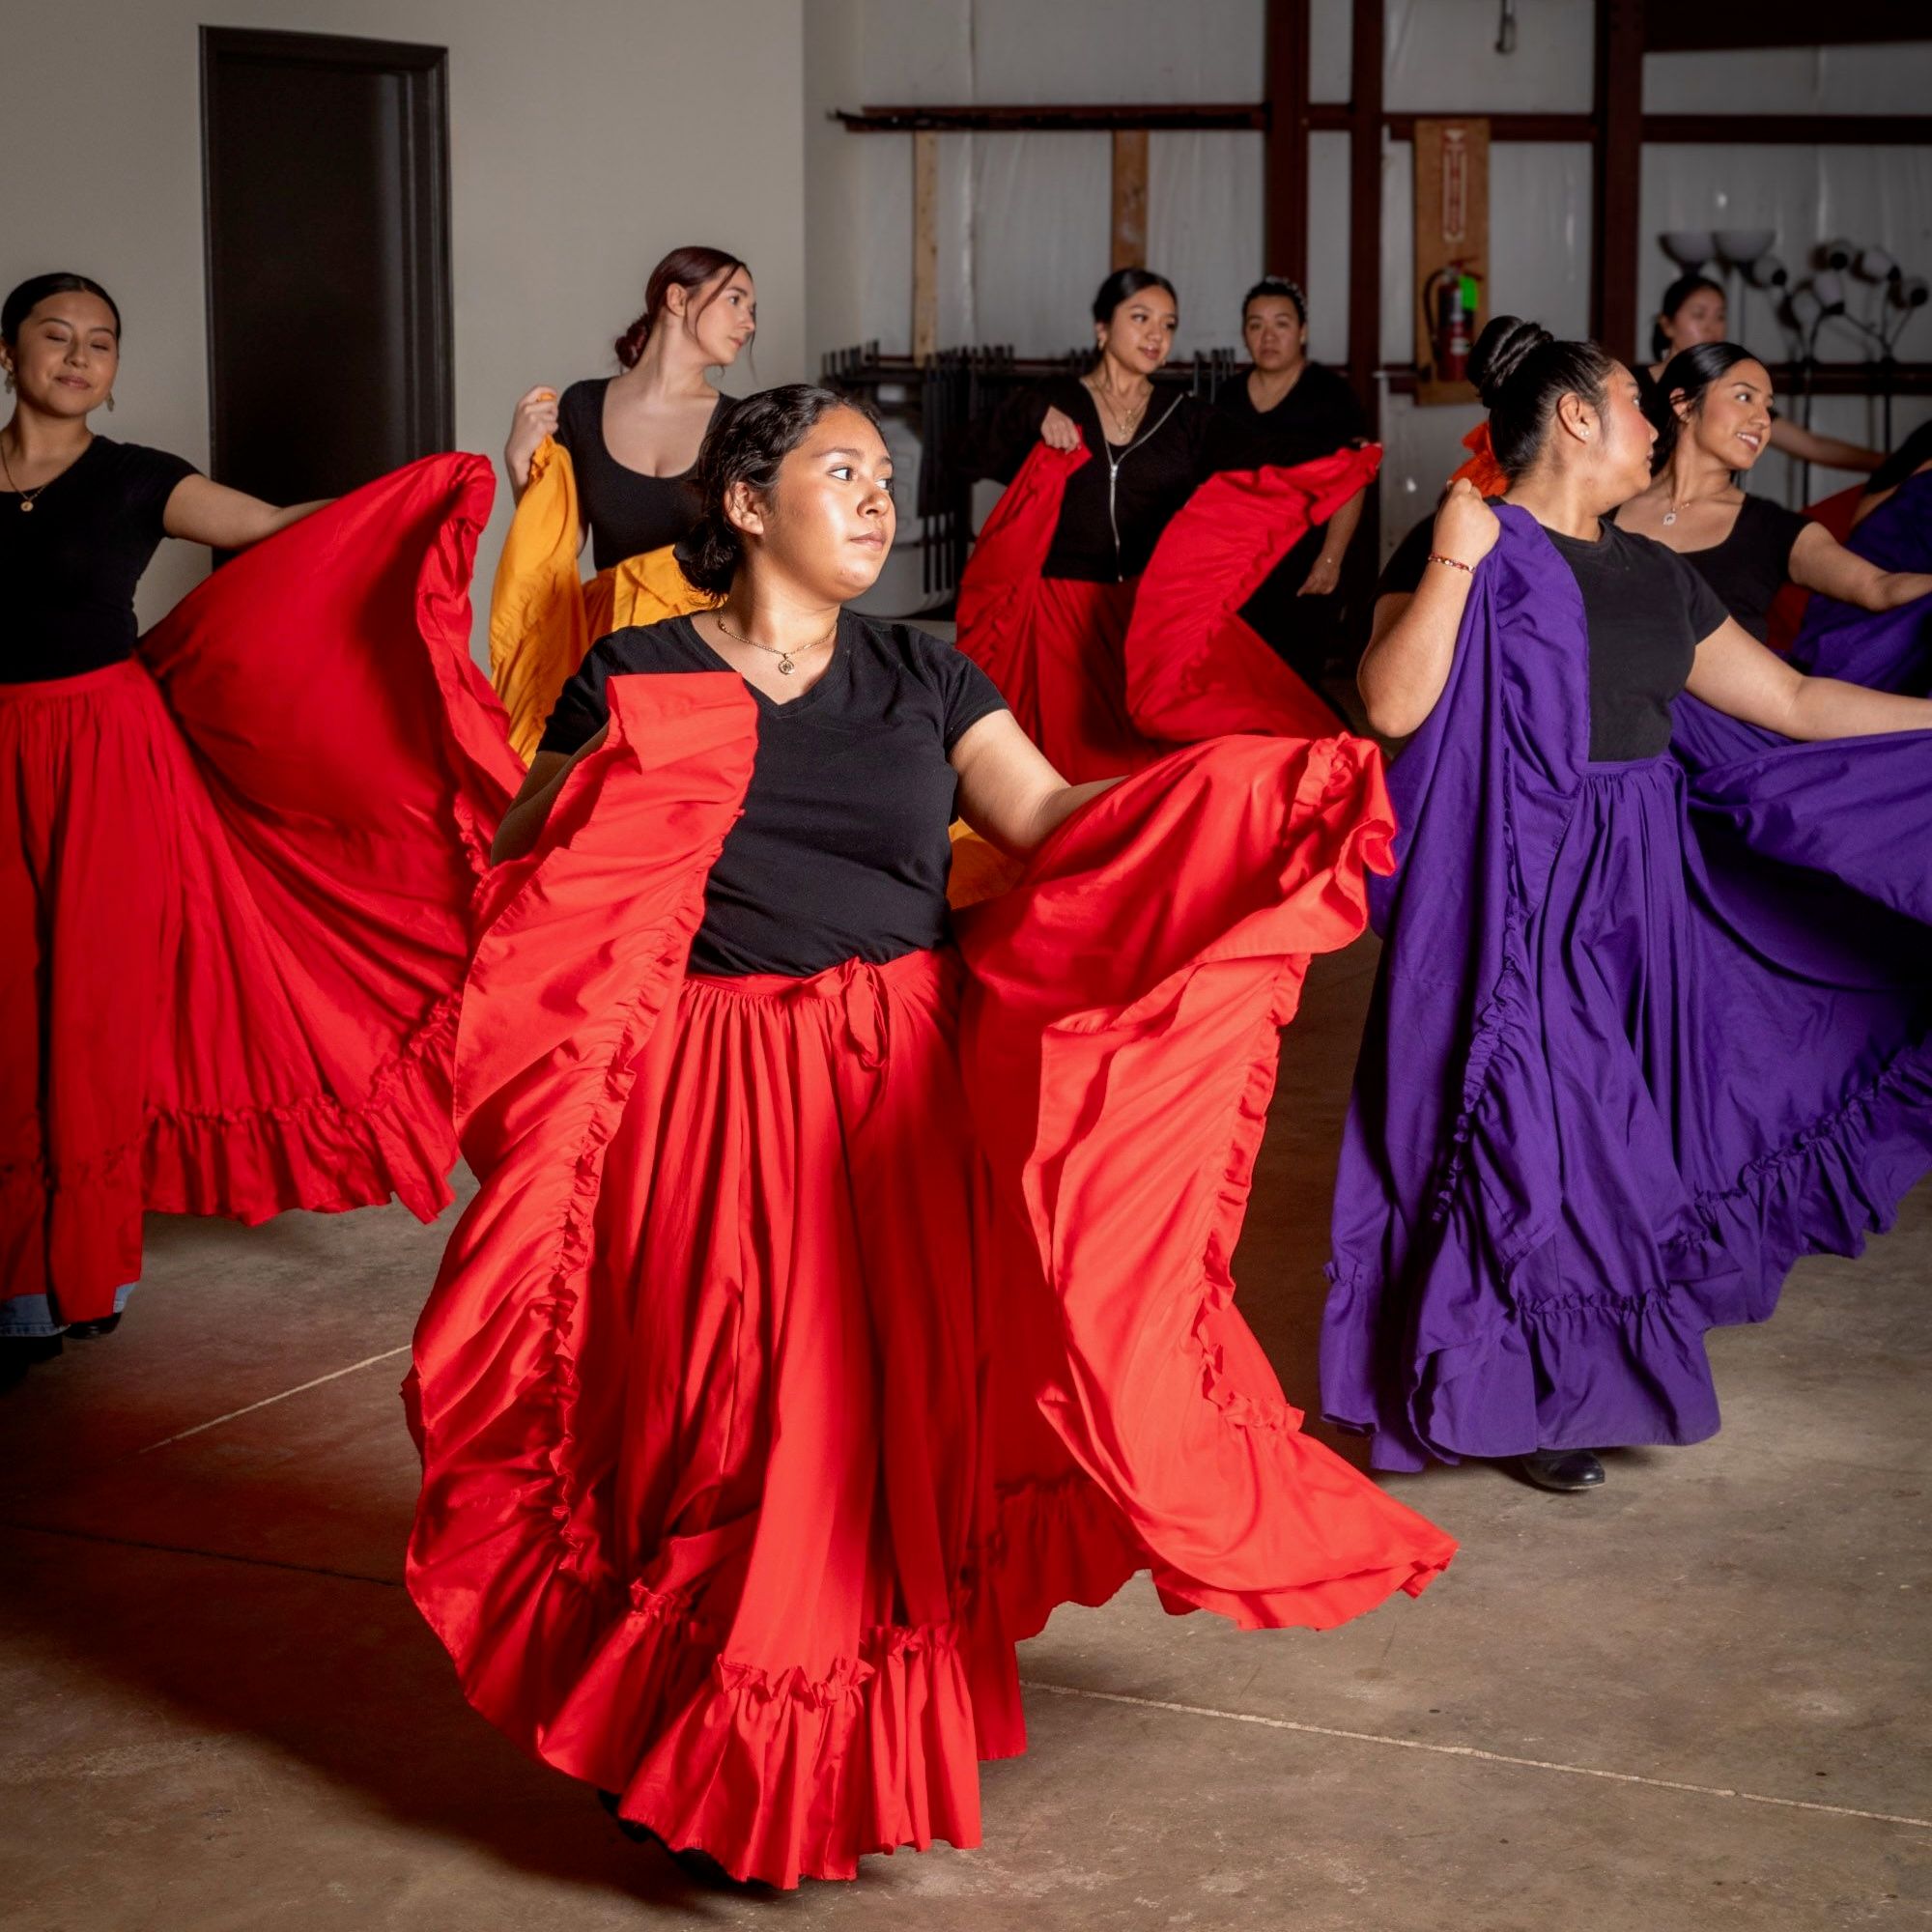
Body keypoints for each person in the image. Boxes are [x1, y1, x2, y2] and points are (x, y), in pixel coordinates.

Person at [407, 384, 1454, 1889]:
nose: (879, 495)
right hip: (709, 1090)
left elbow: (1052, 820)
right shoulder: (631, 672)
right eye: (841, 469)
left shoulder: (924, 670)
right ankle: (696, 1727)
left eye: (885, 475)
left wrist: (1232, 803)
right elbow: (530, 871)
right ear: (747, 503)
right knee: (710, 1417)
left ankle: (803, 1755)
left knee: (859, 1420)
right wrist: (618, 795)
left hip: (897, 1084)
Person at [1325, 316, 1932, 1494]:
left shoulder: (1657, 575)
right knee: (1534, 1132)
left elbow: (1798, 702)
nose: (1656, 423)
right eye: (1637, 406)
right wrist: (1447, 554)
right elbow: (1390, 706)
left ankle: (1565, 1370)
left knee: (1623, 1131)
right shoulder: (1475, 545)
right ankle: (1513, 1389)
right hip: (1518, 881)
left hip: (1640, 878)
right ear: (1572, 417)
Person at [0, 272, 518, 1374]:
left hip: (102, 752)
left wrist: (415, 502)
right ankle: (10, 1278)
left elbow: (280, 529)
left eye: (102, 340)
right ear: (8, 354)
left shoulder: (137, 479)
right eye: (56, 335)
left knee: (89, 1004)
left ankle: (74, 1278)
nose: (80, 356)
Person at [956, 269, 1365, 777]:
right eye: (1141, 318)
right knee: (1062, 766)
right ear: (1102, 327)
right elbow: (966, 451)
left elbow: (1269, 456)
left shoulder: (1185, 415)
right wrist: (1032, 412)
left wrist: (1342, 458)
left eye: (1168, 324)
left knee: (1158, 765)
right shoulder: (1055, 399)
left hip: (1144, 619)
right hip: (1058, 615)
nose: (1156, 334)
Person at [1613, 343, 1932, 640]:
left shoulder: (1773, 529)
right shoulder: (1607, 506)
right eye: (1743, 398)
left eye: (1768, 407)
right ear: (1683, 404)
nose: (1763, 420)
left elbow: (1879, 587)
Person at [502, 245, 755, 571]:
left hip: (707, 622)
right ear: (677, 299)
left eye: (752, 310)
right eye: (735, 300)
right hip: (612, 621)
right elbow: (561, 545)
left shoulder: (739, 424)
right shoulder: (583, 405)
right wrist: (518, 463)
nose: (748, 323)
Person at [1212, 277, 1369, 683]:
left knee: (1296, 675)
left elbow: (1352, 480)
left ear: (1302, 331)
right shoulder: (1227, 396)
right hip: (1243, 558)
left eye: (1281, 324)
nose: (1268, 336)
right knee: (1240, 672)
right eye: (1255, 325)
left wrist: (1331, 558)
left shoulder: (1331, 395)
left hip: (1307, 556)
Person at [1647, 271, 1882, 474]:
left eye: (1720, 316)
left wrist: (1891, 464)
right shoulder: (1632, 385)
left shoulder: (1732, 390)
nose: (1712, 327)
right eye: (1699, 315)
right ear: (1667, 324)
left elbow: (1813, 446)